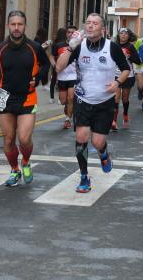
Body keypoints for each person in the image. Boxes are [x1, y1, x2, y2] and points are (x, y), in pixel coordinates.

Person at [56, 13, 130, 193]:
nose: (90, 26)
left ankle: (103, 153)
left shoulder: (111, 47)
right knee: (81, 137)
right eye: (87, 23)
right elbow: (59, 67)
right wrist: (69, 48)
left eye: (94, 23)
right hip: (83, 100)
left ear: (102, 29)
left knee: (97, 142)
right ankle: (83, 177)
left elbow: (126, 69)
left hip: (104, 102)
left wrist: (117, 83)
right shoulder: (79, 47)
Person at [0, 11, 50, 187]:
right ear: (8, 26)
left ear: (25, 26)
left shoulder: (34, 47)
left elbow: (46, 64)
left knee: (23, 139)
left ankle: (26, 161)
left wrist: (37, 79)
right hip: (4, 98)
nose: (16, 28)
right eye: (13, 24)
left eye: (20, 24)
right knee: (8, 140)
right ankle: (15, 170)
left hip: (27, 98)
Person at [51, 26, 77, 129]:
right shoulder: (59, 45)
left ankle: (67, 119)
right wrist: (54, 66)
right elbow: (51, 56)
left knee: (71, 98)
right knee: (63, 101)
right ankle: (68, 107)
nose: (70, 34)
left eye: (73, 32)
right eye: (69, 32)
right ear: (66, 34)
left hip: (74, 76)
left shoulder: (79, 46)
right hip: (62, 76)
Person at [115, 28, 141, 128]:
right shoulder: (114, 46)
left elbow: (138, 61)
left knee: (125, 98)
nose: (123, 35)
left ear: (128, 36)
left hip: (128, 75)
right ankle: (114, 121)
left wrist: (128, 56)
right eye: (121, 33)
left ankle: (125, 114)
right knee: (116, 98)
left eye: (125, 34)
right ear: (118, 35)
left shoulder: (130, 47)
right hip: (116, 74)